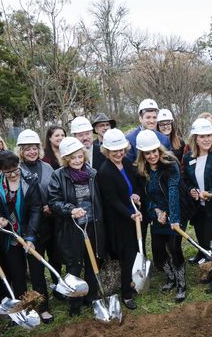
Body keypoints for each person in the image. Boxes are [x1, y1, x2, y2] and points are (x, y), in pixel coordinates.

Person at [49, 137, 106, 316]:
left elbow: (100, 199)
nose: (77, 161)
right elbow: (53, 201)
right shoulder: (58, 175)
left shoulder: (92, 173)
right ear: (66, 159)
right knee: (74, 265)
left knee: (92, 262)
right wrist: (71, 209)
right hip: (72, 228)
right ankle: (75, 304)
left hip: (93, 226)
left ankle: (91, 298)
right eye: (72, 158)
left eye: (80, 156)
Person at [0, 151, 43, 310]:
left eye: (15, 170)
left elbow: (36, 209)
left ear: (19, 165)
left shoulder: (30, 181)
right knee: (17, 274)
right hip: (9, 237)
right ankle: (24, 307)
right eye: (7, 172)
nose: (12, 174)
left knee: (37, 273)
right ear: (0, 171)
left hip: (29, 233)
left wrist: (31, 237)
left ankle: (43, 308)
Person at [134, 130, 187, 301]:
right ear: (142, 154)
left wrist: (175, 219)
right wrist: (156, 211)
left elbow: (173, 192)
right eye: (147, 153)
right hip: (158, 214)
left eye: (154, 151)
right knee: (158, 252)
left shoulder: (170, 164)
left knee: (174, 248)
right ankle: (171, 277)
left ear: (159, 149)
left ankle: (181, 283)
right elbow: (146, 197)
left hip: (177, 210)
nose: (151, 156)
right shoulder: (143, 170)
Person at [183, 118, 212, 293]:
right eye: (202, 136)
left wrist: (208, 193)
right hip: (198, 209)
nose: (206, 139)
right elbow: (186, 181)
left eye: (209, 136)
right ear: (195, 138)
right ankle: (210, 270)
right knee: (203, 241)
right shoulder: (189, 157)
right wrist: (192, 191)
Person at [97, 129, 142, 310]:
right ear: (107, 151)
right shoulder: (105, 171)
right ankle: (126, 294)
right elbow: (112, 200)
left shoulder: (128, 163)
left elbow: (136, 184)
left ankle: (132, 281)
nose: (118, 153)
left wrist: (137, 196)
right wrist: (129, 213)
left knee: (136, 252)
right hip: (119, 221)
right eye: (114, 151)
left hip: (134, 215)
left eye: (121, 149)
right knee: (127, 256)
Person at [16, 129, 55, 322]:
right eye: (27, 149)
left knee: (56, 259)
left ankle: (61, 292)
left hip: (50, 222)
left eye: (34, 148)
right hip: (31, 227)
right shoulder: (18, 171)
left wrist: (51, 205)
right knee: (37, 269)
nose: (31, 152)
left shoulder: (47, 167)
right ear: (21, 151)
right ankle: (43, 306)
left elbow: (54, 190)